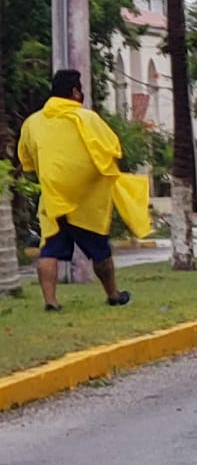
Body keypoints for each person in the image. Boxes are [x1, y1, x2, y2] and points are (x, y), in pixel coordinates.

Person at [17, 69, 145, 311]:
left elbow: (27, 160)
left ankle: (51, 302)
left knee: (49, 249)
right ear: (75, 92)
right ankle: (113, 295)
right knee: (100, 252)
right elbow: (113, 149)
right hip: (87, 201)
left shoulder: (32, 123)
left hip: (54, 200)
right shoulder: (88, 118)